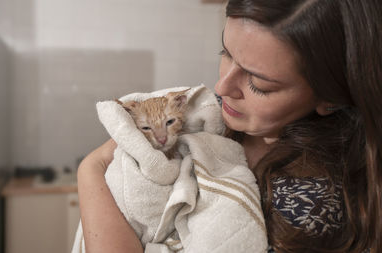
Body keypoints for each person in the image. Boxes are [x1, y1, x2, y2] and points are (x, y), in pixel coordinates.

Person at [77, 0, 382, 252]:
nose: (222, 87)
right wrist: (94, 167)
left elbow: (99, 164)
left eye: (260, 83)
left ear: (329, 97)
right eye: (226, 52)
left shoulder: (310, 206)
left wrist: (90, 170)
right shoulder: (208, 116)